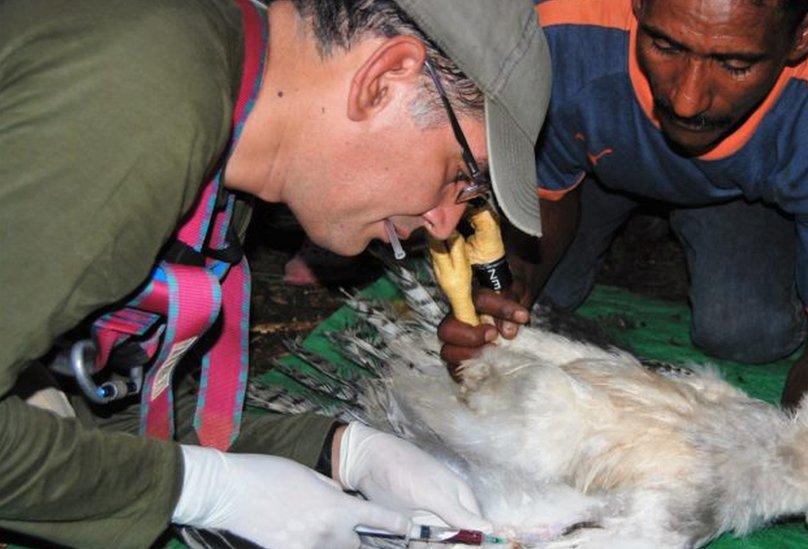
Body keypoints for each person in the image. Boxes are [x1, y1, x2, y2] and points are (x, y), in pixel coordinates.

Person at [0, 0, 550, 547]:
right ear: (384, 80)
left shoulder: (218, 169)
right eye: (460, 176)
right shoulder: (144, 102)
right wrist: (204, 489)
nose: (443, 223)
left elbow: (110, 415)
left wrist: (339, 452)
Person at [439, 0, 808, 408]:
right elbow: (545, 192)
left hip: (739, 191)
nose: (688, 99)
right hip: (593, 164)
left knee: (747, 331)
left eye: (735, 64)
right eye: (665, 45)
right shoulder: (559, 36)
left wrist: (798, 455)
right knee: (543, 300)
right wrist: (510, 287)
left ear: (803, 35)